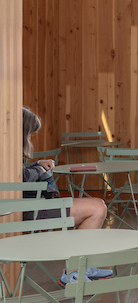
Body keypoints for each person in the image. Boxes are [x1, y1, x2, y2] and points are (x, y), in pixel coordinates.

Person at [22, 107, 112, 285]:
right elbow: (20, 178)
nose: (30, 138)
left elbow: (19, 174)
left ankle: (81, 267)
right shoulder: (5, 151)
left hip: (28, 205)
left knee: (99, 204)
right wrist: (39, 169)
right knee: (97, 209)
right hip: (24, 211)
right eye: (29, 134)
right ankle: (74, 272)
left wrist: (36, 164)